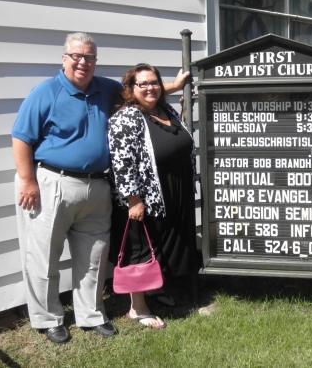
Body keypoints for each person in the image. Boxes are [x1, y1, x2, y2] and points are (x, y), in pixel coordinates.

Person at [12, 33, 187, 344]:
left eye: (90, 57)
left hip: (97, 185)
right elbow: (22, 137)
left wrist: (174, 85)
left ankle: (91, 315)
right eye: (77, 56)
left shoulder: (104, 87)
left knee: (93, 257)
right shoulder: (45, 92)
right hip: (53, 182)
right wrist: (27, 180)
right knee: (43, 257)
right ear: (64, 58)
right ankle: (48, 319)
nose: (83, 62)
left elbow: (142, 92)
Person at [108, 63, 197, 329]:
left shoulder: (166, 110)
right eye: (142, 84)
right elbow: (121, 163)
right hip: (146, 195)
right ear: (130, 89)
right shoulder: (126, 118)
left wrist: (183, 105)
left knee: (164, 242)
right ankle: (138, 307)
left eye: (154, 82)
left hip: (174, 188)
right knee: (144, 247)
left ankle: (154, 287)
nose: (150, 88)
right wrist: (133, 200)